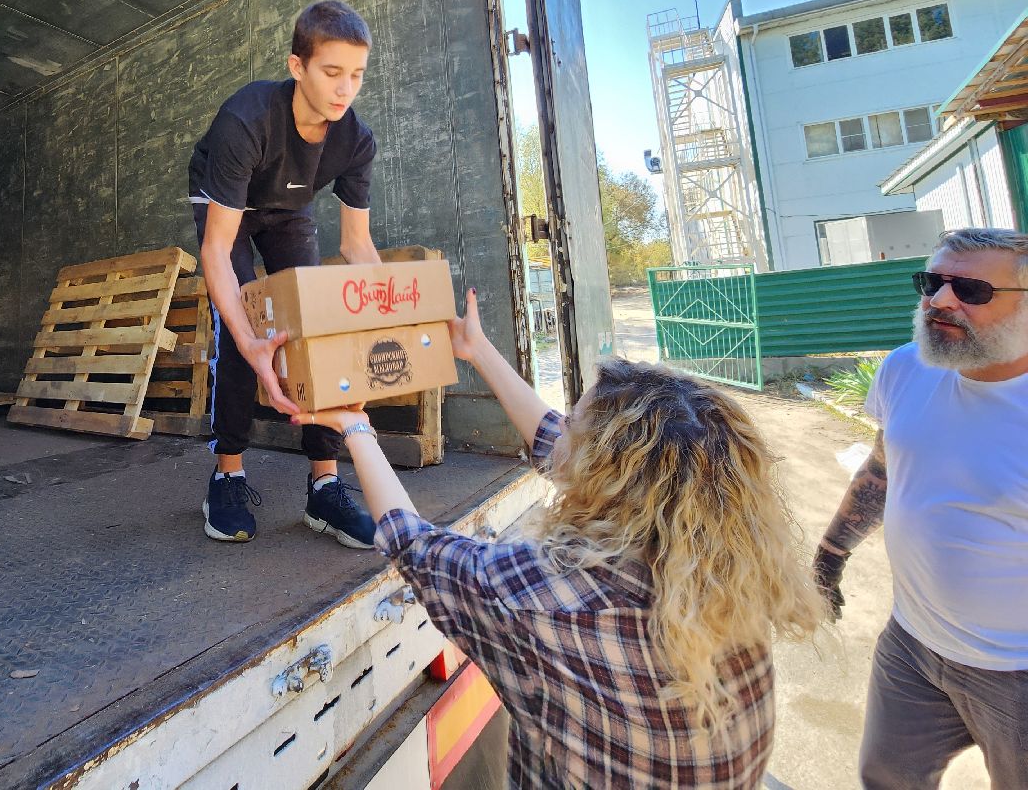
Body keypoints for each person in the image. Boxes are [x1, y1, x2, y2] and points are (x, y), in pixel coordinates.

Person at [297, 289, 822, 788]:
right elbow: (559, 444)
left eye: (574, 422)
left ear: (605, 470)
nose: (560, 426)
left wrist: (355, 427)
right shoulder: (723, 561)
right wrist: (476, 350)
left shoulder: (552, 600)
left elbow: (418, 549)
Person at [813, 228, 1028, 789]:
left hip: (1017, 672)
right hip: (913, 645)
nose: (939, 300)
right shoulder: (907, 369)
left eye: (971, 290)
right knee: (885, 777)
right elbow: (883, 471)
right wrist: (829, 558)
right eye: (931, 282)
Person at [189, 0, 382, 547]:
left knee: (319, 324)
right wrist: (253, 342)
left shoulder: (355, 140)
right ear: (298, 67)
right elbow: (218, 251)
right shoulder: (245, 120)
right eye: (331, 73)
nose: (345, 89)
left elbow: (356, 244)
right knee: (245, 326)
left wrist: (383, 319)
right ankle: (228, 473)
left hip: (287, 209)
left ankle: (324, 486)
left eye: (356, 75)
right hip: (226, 208)